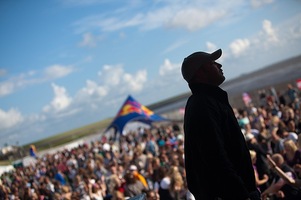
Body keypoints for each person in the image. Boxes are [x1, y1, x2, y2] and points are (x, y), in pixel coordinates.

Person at [181, 49, 260, 199]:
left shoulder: (208, 101)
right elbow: (215, 156)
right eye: (212, 63)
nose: (219, 65)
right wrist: (242, 194)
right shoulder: (203, 105)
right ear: (200, 73)